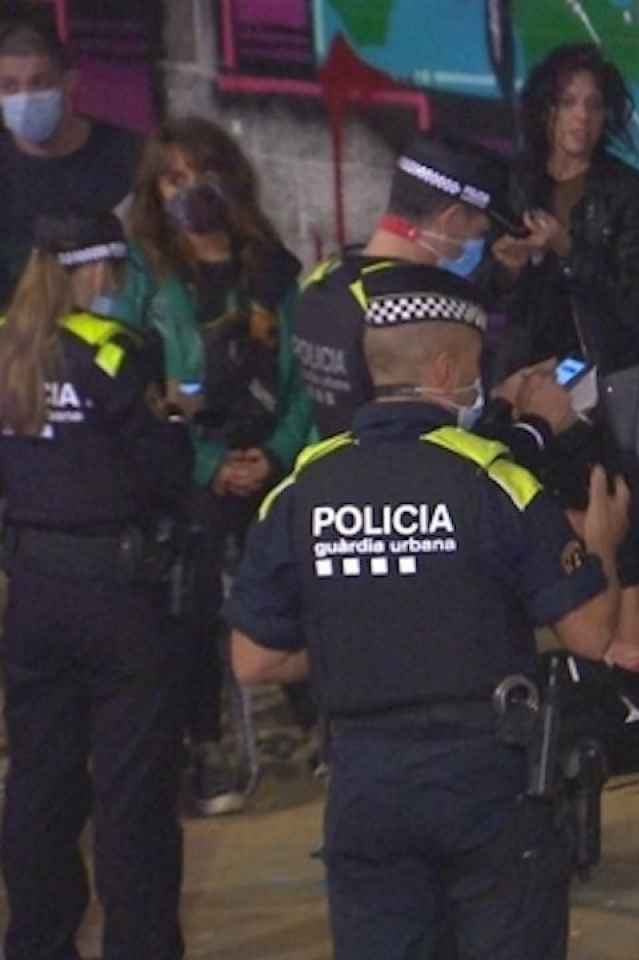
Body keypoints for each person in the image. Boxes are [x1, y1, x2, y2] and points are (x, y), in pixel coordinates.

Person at [225, 264, 629, 959]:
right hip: (485, 776)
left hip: (362, 782)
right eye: (475, 367)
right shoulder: (495, 479)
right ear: (445, 368)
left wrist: (375, 639)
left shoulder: (303, 487)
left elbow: (254, 660)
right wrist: (605, 549)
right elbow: (592, 636)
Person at [0, 210, 193, 959]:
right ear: (100, 268)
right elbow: (164, 472)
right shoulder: (117, 353)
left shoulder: (10, 349)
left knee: (38, 784)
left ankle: (37, 942)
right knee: (132, 794)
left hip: (33, 594)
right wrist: (176, 425)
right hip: (118, 599)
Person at [113, 116, 314, 815]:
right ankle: (204, 739)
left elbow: (305, 382)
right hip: (186, 467)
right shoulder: (144, 275)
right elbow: (134, 389)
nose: (191, 189)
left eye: (203, 172)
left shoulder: (272, 269)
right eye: (173, 178)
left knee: (303, 553)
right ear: (154, 191)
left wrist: (280, 452)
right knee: (192, 581)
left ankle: (324, 714)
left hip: (272, 455)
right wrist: (206, 463)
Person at [494, 43, 639, 767]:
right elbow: (497, 302)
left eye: (594, 105)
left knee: (630, 536)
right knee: (565, 533)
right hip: (540, 385)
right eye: (568, 103)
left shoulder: (625, 192)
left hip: (613, 383)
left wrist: (569, 248)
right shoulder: (517, 185)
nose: (581, 118)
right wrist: (511, 271)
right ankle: (591, 682)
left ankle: (629, 693)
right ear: (544, 109)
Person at [292, 135, 569, 454]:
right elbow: (445, 458)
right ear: (450, 220)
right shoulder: (424, 311)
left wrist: (501, 401)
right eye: (478, 232)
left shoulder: (321, 280)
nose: (476, 245)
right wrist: (535, 426)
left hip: (331, 483)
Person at [0, 12, 139, 301]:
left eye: (38, 83)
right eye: (9, 86)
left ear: (69, 82)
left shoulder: (129, 157)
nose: (24, 98)